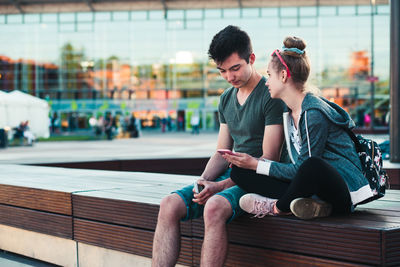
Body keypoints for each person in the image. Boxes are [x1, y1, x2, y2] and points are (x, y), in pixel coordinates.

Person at [151, 25, 286, 267]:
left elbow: (269, 159)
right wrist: (202, 182)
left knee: (213, 207)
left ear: (251, 59)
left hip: (260, 178)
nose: (229, 77)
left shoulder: (270, 96)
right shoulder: (226, 99)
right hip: (233, 175)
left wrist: (219, 186)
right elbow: (222, 152)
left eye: (235, 68)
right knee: (168, 204)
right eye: (222, 71)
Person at [222, 36, 374, 220]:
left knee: (311, 165)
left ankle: (277, 207)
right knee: (240, 172)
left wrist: (256, 163)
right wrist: (250, 165)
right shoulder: (288, 111)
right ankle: (310, 204)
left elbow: (304, 169)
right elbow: (296, 170)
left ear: (284, 76)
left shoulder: (312, 113)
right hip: (308, 185)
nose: (267, 82)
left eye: (270, 75)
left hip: (343, 192)